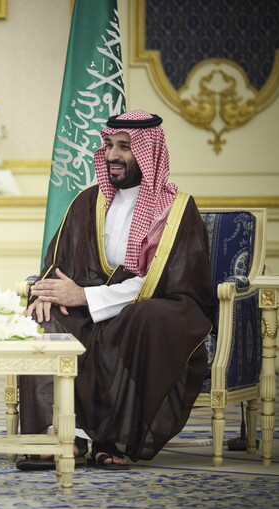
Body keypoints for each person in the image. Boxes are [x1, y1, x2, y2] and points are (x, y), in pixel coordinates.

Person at [17, 110, 211, 470]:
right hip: (90, 310)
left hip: (154, 310)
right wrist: (47, 292)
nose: (112, 155)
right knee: (43, 319)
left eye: (124, 147)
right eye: (108, 145)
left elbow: (169, 281)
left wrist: (86, 297)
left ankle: (115, 439)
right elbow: (59, 262)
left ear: (149, 152)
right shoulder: (87, 202)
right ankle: (59, 434)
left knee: (146, 318)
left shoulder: (176, 210)